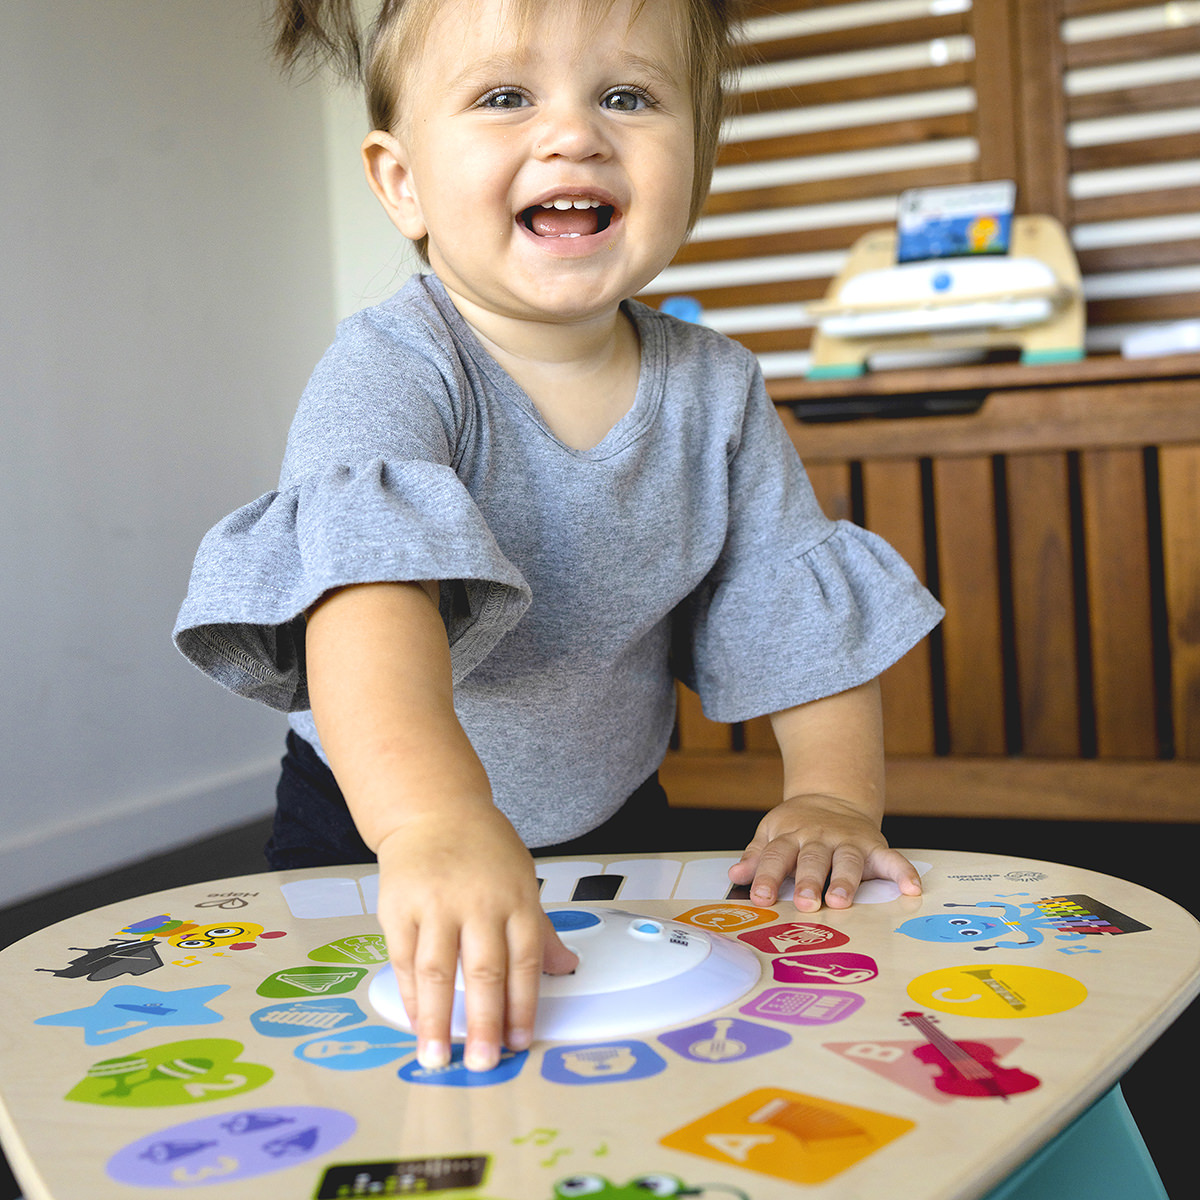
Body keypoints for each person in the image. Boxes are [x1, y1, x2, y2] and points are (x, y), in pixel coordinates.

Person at [174, 0, 943, 1075]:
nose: (576, 133)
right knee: (401, 1050)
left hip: (615, 807)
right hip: (377, 819)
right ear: (402, 182)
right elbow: (367, 600)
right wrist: (429, 822)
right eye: (504, 97)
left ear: (698, 168)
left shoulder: (716, 389)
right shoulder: (395, 370)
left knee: (628, 1052)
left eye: (628, 96)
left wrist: (830, 797)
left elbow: (793, 600)